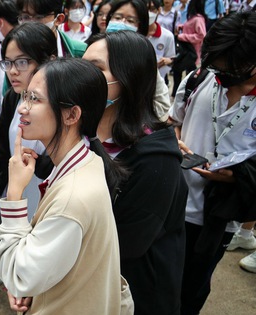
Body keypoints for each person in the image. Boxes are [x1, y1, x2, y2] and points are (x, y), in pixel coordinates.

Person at [0, 58, 129, 314]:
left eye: (35, 99)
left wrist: (13, 195)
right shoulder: (87, 160)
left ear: (71, 114)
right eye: (25, 96)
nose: (23, 108)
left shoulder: (72, 199)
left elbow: (20, 276)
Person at [84, 31, 188, 315]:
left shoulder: (157, 159)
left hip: (135, 292)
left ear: (129, 78)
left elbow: (126, 243)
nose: (81, 77)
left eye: (96, 69)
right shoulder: (80, 132)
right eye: (81, 66)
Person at [168, 11, 256, 314]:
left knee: (193, 285)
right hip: (173, 201)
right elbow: (173, 120)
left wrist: (235, 177)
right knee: (159, 280)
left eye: (231, 69)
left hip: (219, 214)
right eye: (217, 66)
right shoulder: (200, 80)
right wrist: (175, 140)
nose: (223, 76)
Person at [0, 22, 57, 221]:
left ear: (48, 60)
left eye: (22, 62)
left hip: (48, 205)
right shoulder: (12, 98)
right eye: (7, 62)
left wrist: (38, 163)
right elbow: (4, 152)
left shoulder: (62, 106)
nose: (12, 71)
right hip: (15, 198)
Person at [16, 0, 87, 57]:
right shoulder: (14, 53)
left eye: (39, 17)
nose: (31, 24)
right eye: (25, 17)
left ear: (59, 19)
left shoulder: (81, 53)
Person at [172, 0, 206, 95]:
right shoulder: (193, 17)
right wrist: (182, 27)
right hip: (186, 50)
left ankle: (187, 93)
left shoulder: (198, 19)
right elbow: (190, 28)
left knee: (188, 73)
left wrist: (182, 36)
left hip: (192, 52)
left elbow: (201, 35)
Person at [147, 0, 176, 83]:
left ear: (159, 10)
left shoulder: (167, 36)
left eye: (152, 9)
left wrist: (167, 61)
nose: (149, 13)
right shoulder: (134, 33)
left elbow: (171, 58)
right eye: (146, 9)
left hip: (158, 82)